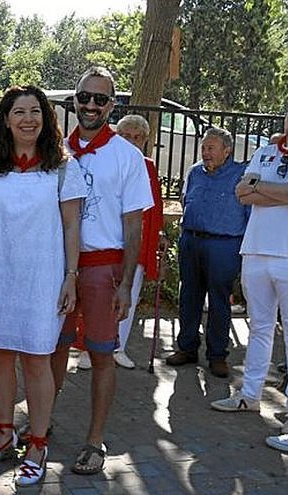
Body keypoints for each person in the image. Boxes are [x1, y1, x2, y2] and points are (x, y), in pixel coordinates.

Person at [0, 85, 84, 486]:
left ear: (46, 119)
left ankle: (37, 443)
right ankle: (3, 432)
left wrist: (71, 277)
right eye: (19, 112)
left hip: (43, 279)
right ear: (5, 119)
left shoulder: (63, 167)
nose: (28, 119)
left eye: (35, 111)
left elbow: (72, 227)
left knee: (36, 361)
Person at [51, 67, 153, 476]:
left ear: (113, 105)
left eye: (100, 99)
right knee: (51, 347)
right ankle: (41, 424)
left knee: (101, 354)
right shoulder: (55, 149)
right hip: (56, 266)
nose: (91, 105)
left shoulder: (127, 156)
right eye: (84, 96)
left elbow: (134, 225)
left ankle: (95, 438)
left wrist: (127, 283)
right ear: (74, 100)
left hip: (101, 266)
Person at [210, 107, 288, 453]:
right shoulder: (266, 151)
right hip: (256, 250)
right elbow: (242, 191)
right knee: (259, 327)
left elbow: (259, 189)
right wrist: (277, 191)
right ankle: (249, 396)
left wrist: (263, 188)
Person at [166, 127, 248, 378]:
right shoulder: (194, 172)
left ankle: (217, 355)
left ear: (227, 150)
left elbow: (248, 212)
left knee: (219, 300)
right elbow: (184, 200)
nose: (205, 152)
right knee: (189, 295)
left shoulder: (240, 175)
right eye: (203, 147)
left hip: (224, 244)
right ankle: (187, 347)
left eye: (211, 148)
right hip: (191, 239)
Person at [109, 114, 165, 370]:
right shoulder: (107, 162)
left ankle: (118, 346)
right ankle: (88, 347)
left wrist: (158, 235)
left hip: (136, 243)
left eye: (137, 137)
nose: (132, 141)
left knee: (128, 294)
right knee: (98, 294)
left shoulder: (148, 166)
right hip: (108, 241)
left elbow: (153, 208)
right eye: (126, 136)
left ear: (145, 141)